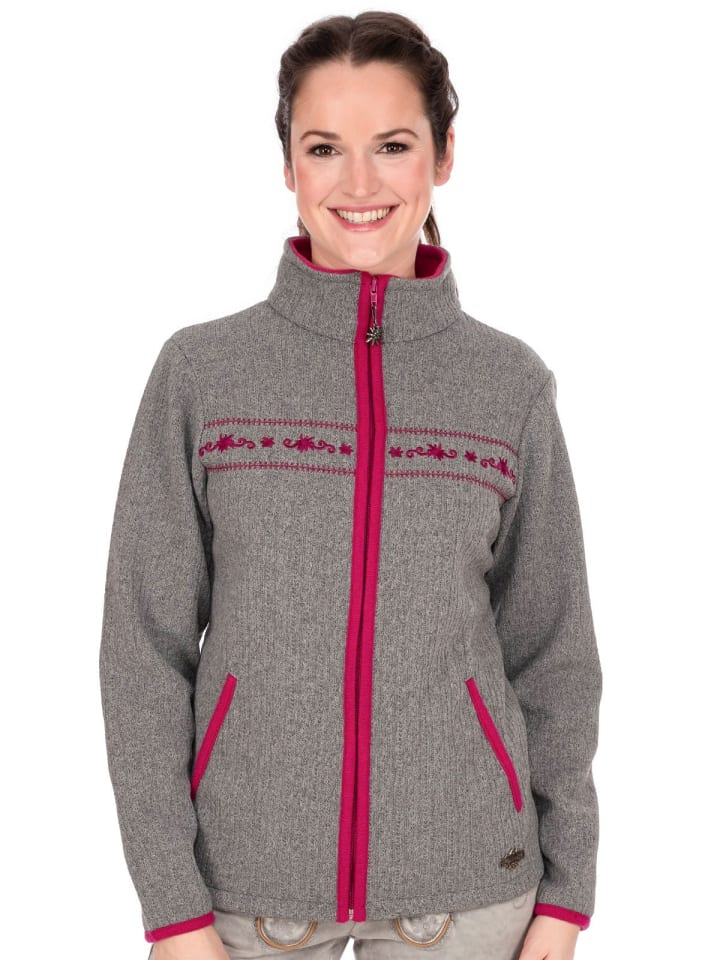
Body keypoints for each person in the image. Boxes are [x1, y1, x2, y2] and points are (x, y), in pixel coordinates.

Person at [99, 11, 602, 960]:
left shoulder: (509, 385)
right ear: (287, 165)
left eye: (394, 146)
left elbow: (554, 651)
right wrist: (171, 906)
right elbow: (142, 651)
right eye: (324, 147)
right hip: (243, 893)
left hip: (470, 889)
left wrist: (567, 894)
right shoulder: (203, 373)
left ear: (444, 155)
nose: (359, 184)